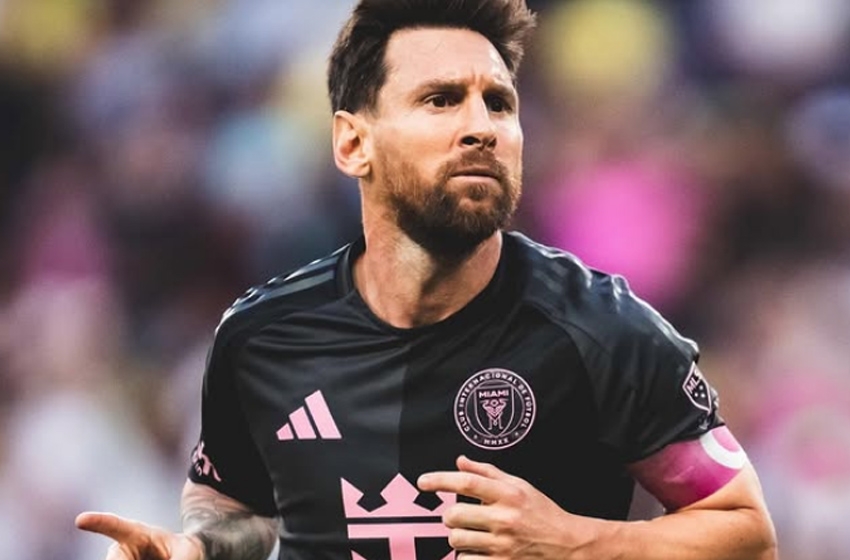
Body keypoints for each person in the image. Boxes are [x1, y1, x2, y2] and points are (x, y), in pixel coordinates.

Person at [75, 0, 778, 558]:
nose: (482, 127)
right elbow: (237, 508)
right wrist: (196, 549)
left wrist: (578, 543)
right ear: (353, 142)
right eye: (441, 100)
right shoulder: (262, 339)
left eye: (498, 102)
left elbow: (746, 532)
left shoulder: (603, 330)